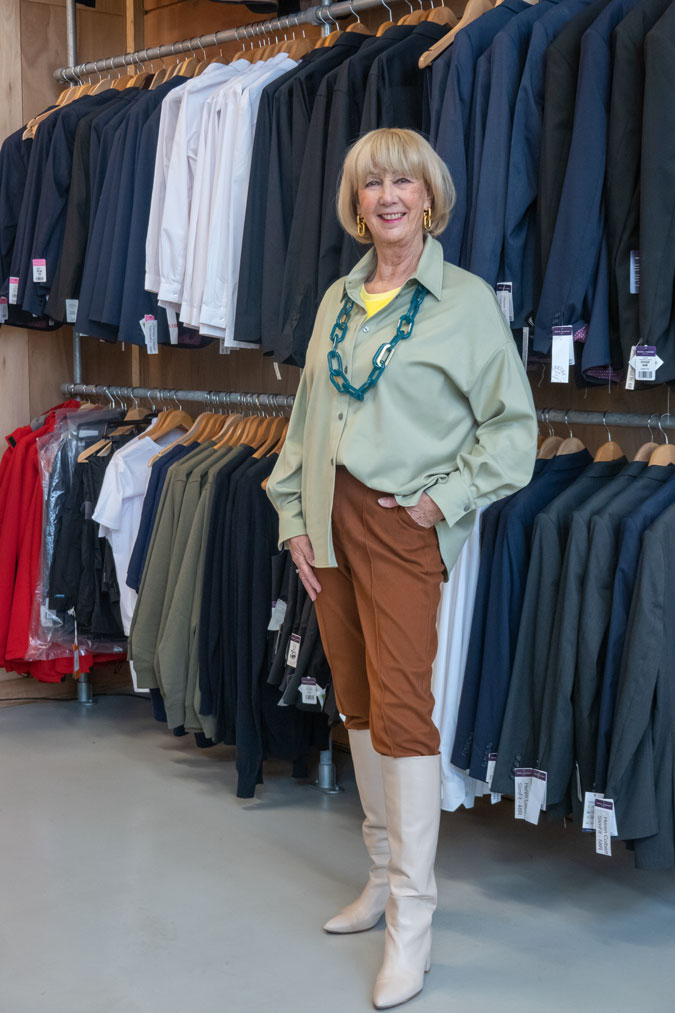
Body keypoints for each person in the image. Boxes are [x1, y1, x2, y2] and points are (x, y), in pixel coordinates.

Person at [266, 128, 537, 1009]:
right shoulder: (339, 298)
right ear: (357, 203)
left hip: (399, 525)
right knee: (356, 696)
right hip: (328, 521)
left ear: (428, 197)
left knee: (406, 709)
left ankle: (411, 922)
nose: (386, 197)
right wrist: (293, 517)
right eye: (371, 183)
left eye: (402, 182)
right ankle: (381, 876)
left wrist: (438, 502)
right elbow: (306, 417)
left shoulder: (462, 304)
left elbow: (511, 432)